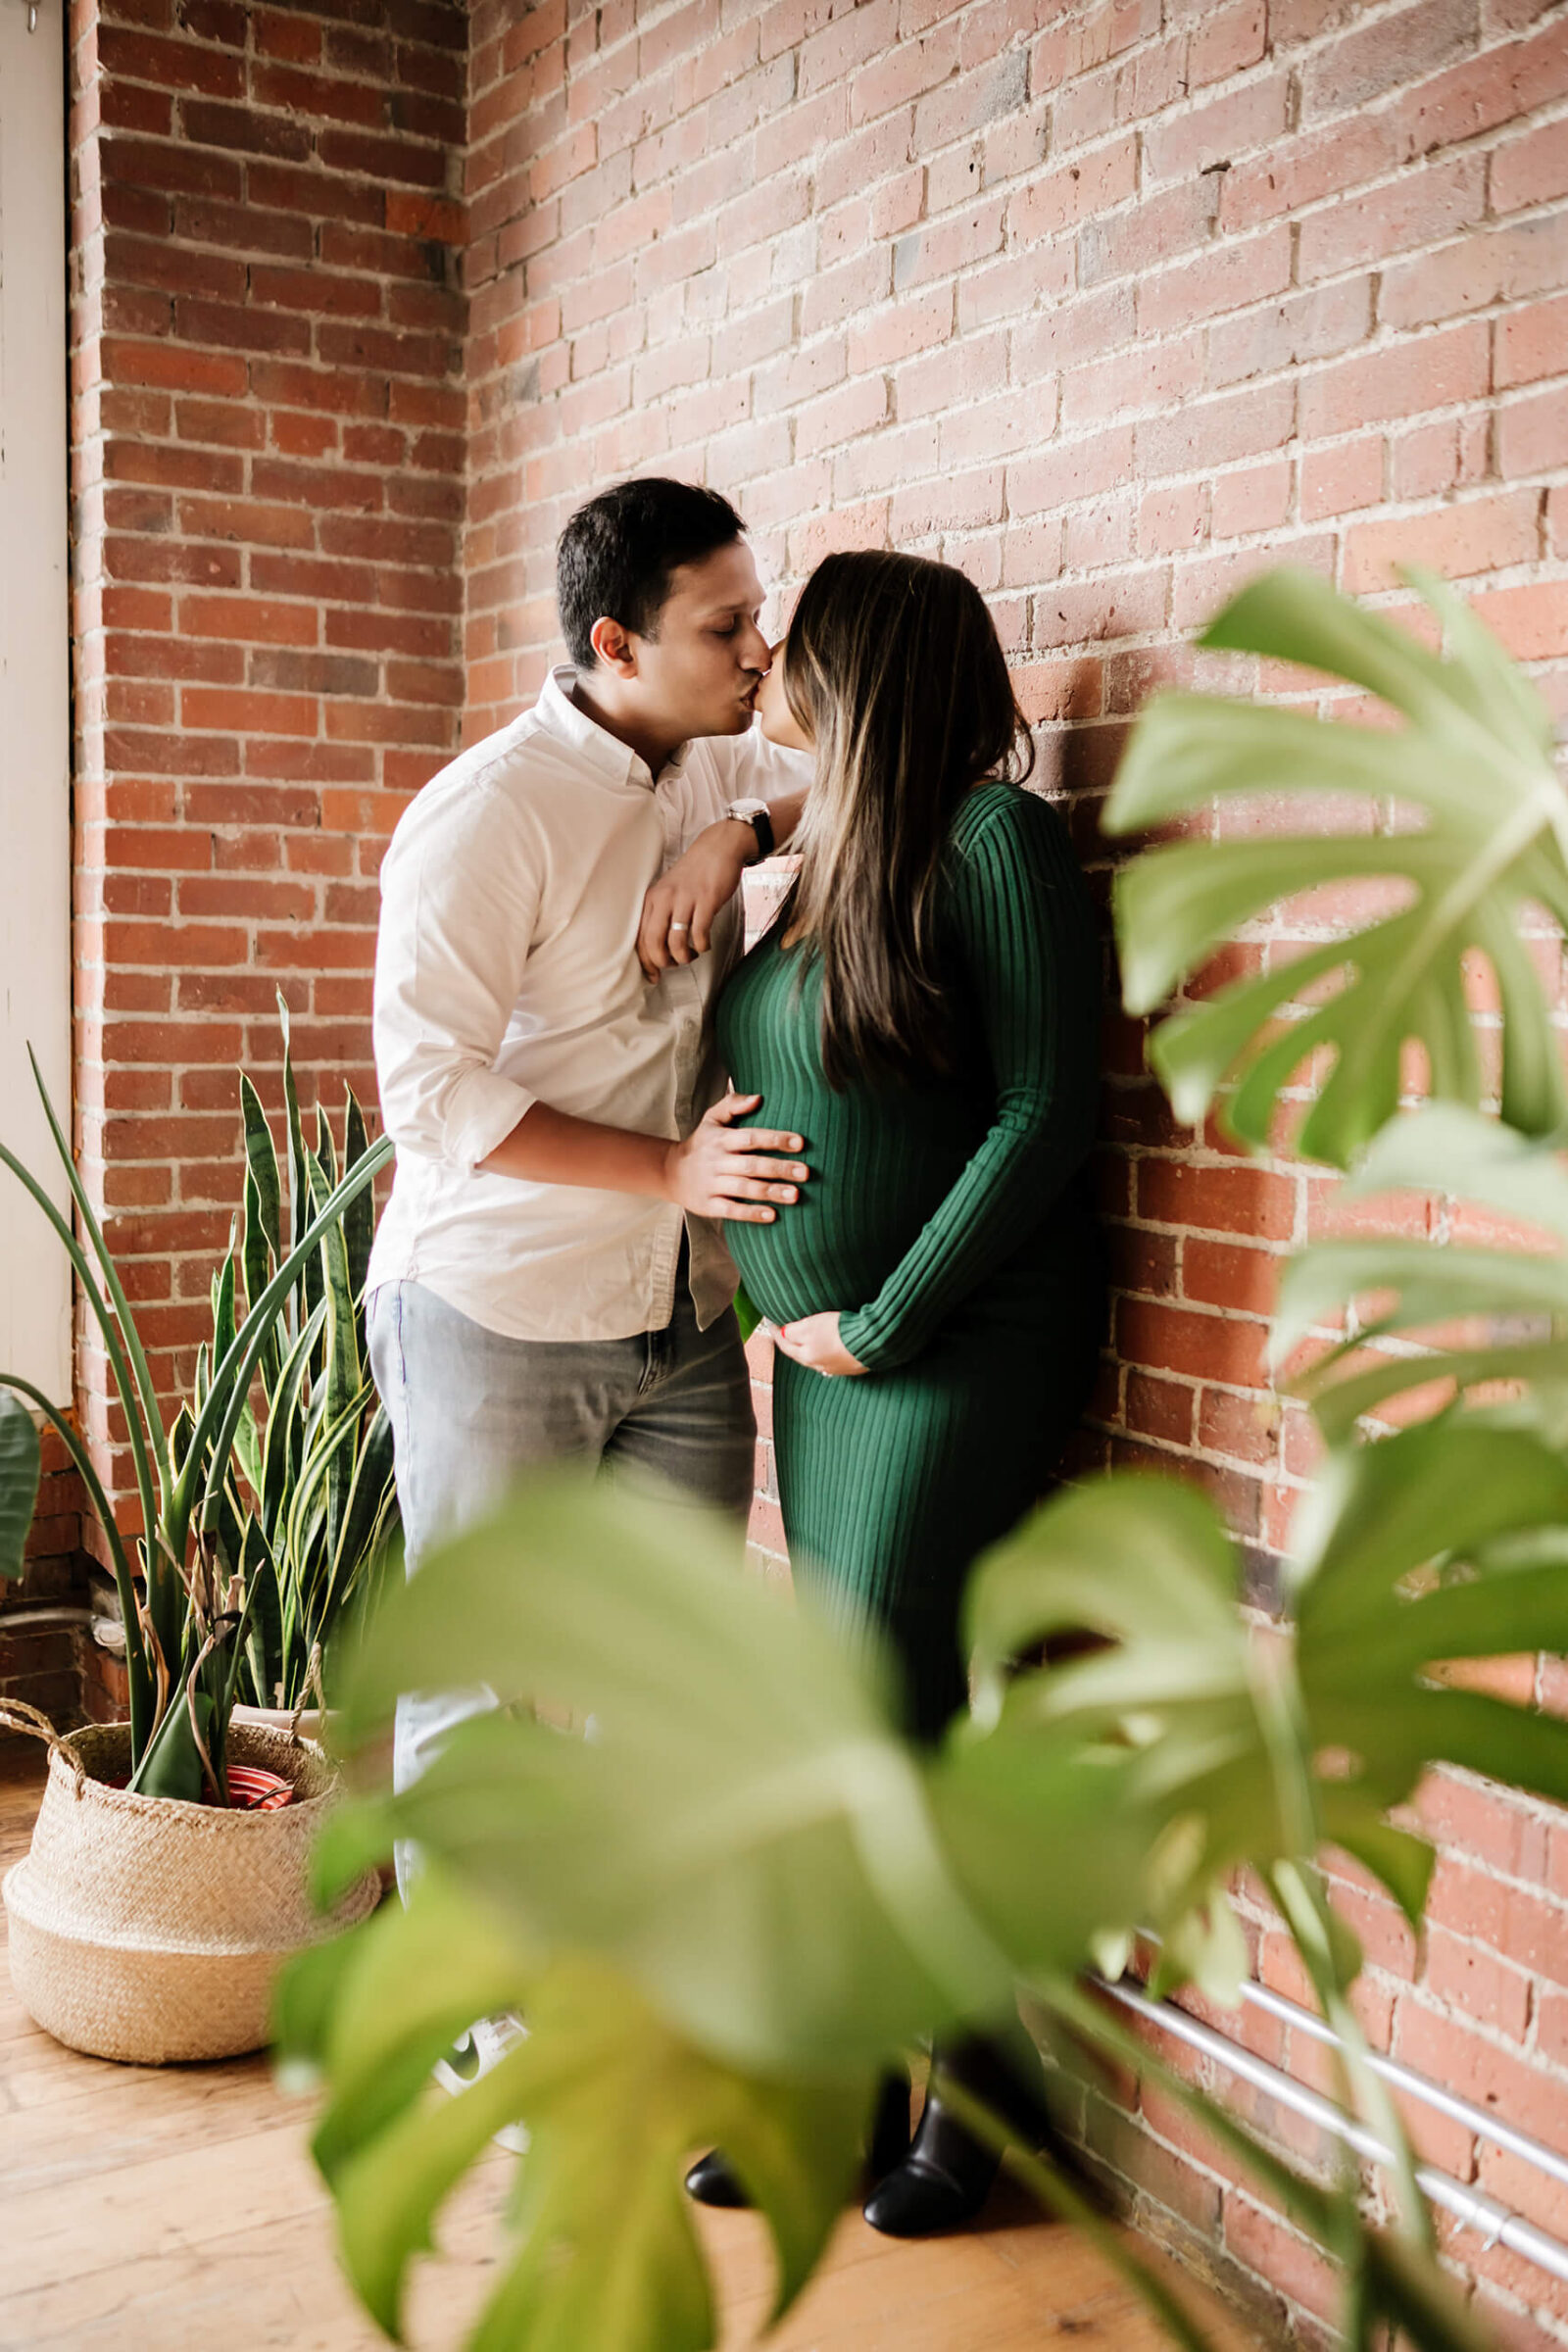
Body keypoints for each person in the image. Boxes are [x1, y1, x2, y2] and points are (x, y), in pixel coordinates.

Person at [365, 476, 816, 2105]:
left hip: (684, 1325)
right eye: (728, 627)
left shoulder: (714, 755)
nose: (762, 653)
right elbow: (427, 1094)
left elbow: (875, 778)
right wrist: (667, 1177)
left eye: (759, 619)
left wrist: (740, 829)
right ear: (617, 642)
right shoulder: (486, 815)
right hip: (492, 1315)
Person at [687, 548, 1105, 2235]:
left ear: (871, 671)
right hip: (834, 1365)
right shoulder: (836, 848)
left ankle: (985, 2104)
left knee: (905, 1722)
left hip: (950, 1351)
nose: (771, 652)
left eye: (801, 633)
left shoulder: (998, 840)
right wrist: (742, 833)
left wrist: (891, 1313)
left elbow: (1045, 1112)